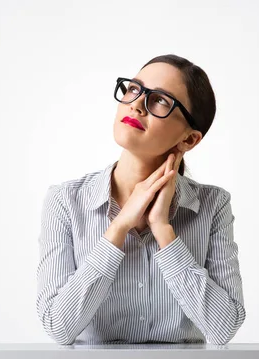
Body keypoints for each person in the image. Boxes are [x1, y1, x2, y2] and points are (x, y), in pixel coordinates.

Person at [36, 54, 246, 345]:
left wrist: (163, 230)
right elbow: (58, 327)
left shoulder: (212, 206)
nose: (136, 104)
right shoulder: (65, 201)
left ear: (189, 140)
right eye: (134, 89)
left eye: (159, 99)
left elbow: (223, 329)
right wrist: (118, 228)